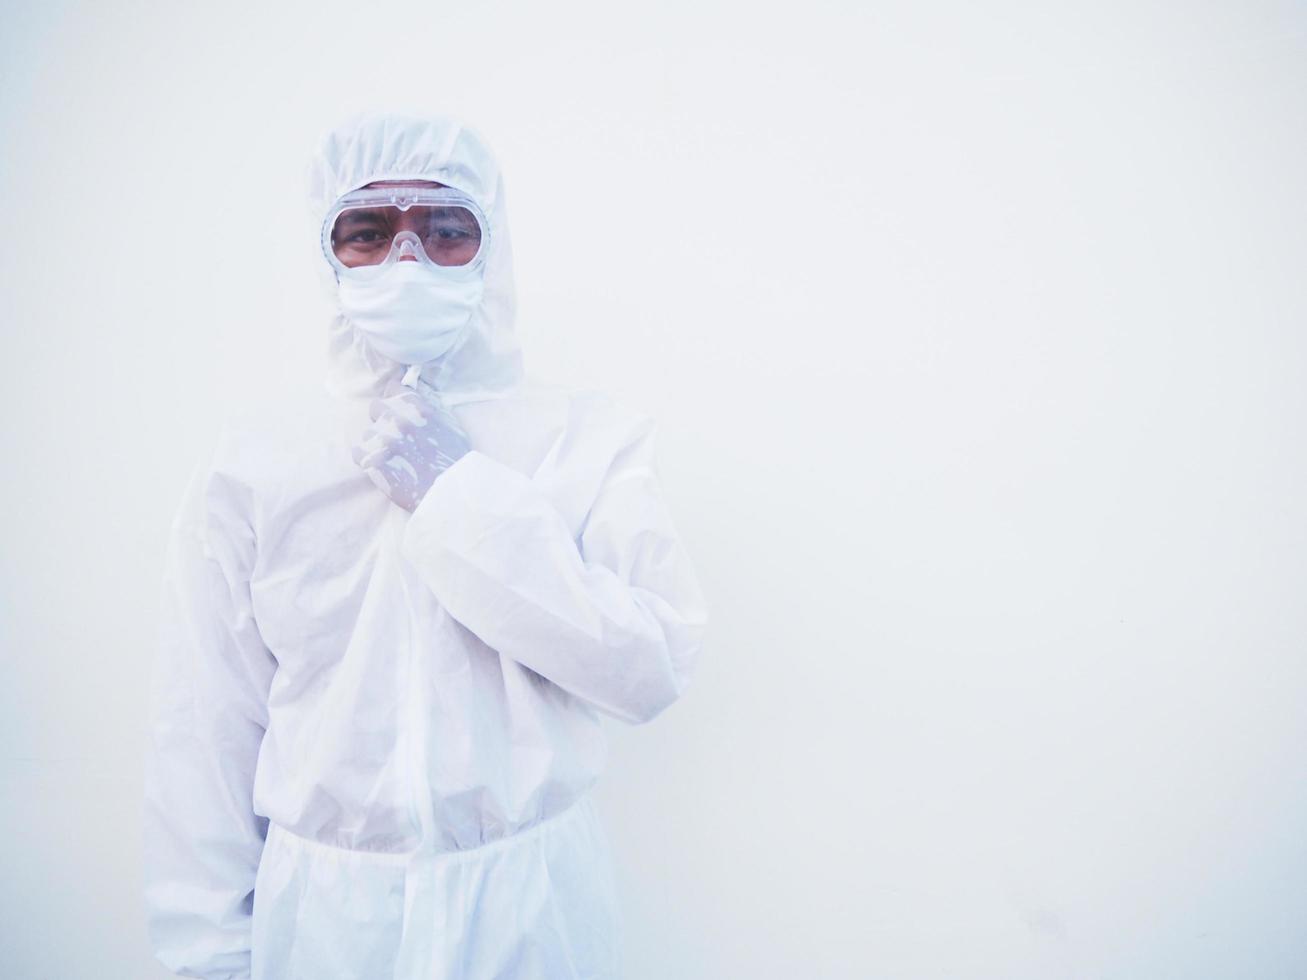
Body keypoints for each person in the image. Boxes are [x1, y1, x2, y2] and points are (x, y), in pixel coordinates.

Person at [142, 112, 708, 980]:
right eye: (368, 232)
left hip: (530, 907)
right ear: (326, 254)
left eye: (446, 230)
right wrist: (205, 960)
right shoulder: (256, 460)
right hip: (327, 920)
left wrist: (460, 498)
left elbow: (647, 668)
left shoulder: (586, 440)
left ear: (492, 248)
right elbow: (205, 733)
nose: (407, 260)